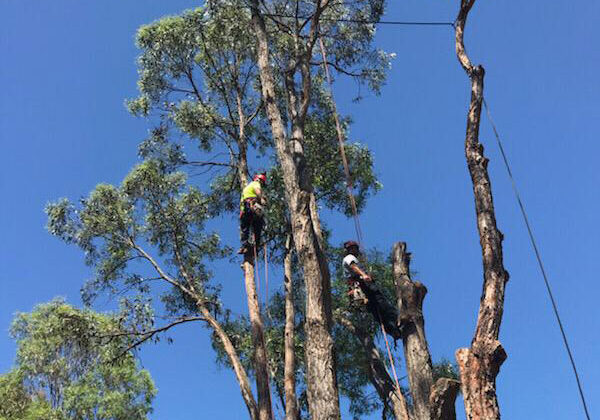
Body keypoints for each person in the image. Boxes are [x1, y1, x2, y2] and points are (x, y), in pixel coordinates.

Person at [342, 240, 403, 340]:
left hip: (361, 289)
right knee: (382, 304)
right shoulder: (349, 258)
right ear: (349, 250)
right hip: (363, 286)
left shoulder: (352, 259)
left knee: (377, 312)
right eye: (352, 248)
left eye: (355, 248)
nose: (354, 250)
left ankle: (393, 330)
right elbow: (353, 266)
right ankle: (398, 321)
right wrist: (364, 275)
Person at [238, 173, 267, 255]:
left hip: (245, 210)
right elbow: (257, 191)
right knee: (258, 229)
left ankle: (245, 246)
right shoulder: (256, 183)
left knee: (245, 229)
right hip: (251, 207)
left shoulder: (246, 188)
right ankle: (256, 248)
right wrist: (262, 199)